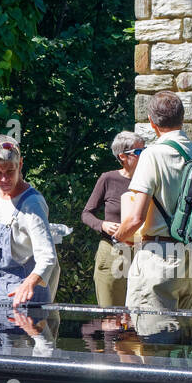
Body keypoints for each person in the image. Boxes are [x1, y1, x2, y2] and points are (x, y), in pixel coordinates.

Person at [114, 92, 192, 313]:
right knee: (187, 342)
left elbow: (136, 218)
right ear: (182, 118)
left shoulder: (152, 155)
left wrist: (118, 238)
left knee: (153, 338)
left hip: (158, 257)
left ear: (151, 122)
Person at [0, 135, 60, 309]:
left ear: (20, 165)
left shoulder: (32, 204)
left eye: (10, 172)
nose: (4, 180)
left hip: (26, 299)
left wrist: (30, 283)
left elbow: (48, 257)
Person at [81, 131, 142, 307]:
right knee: (112, 319)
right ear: (122, 156)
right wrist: (103, 225)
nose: (144, 155)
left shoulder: (150, 180)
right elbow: (86, 214)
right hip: (113, 253)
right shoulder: (108, 178)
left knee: (140, 320)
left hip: (143, 254)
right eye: (138, 152)